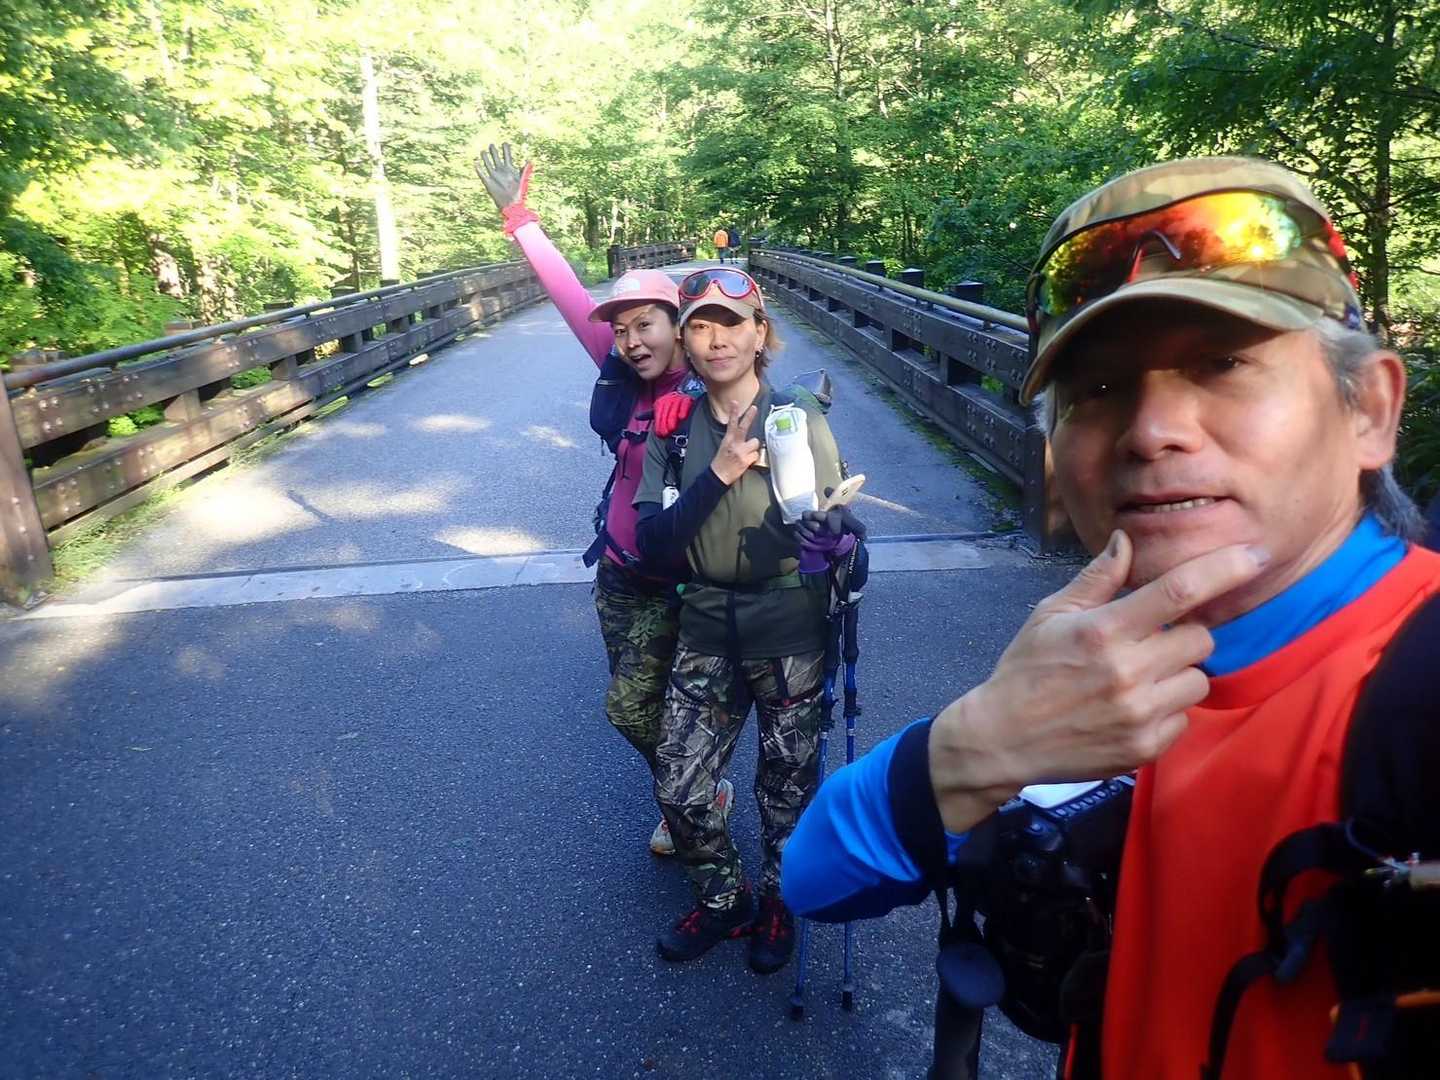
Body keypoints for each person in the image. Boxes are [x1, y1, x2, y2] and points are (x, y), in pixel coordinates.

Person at [782, 157, 1440, 1077]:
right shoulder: (1094, 667)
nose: (1151, 430)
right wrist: (982, 743)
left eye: (1222, 364)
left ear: (1369, 409)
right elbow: (814, 877)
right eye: (1097, 390)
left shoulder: (1416, 688)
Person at [475, 143, 734, 855]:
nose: (631, 340)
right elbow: (568, 295)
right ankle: (688, 793)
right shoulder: (621, 369)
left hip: (685, 580)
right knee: (637, 700)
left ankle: (695, 791)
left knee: (633, 706)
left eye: (646, 324)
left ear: (679, 325)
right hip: (618, 572)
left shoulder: (714, 382)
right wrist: (519, 217)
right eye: (620, 329)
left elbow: (768, 402)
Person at [634, 267, 866, 974]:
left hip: (790, 630)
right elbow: (653, 545)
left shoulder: (798, 417)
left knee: (786, 789)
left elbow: (839, 525)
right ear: (684, 341)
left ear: (760, 334)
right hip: (705, 626)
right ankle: (724, 899)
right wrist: (721, 472)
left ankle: (778, 903)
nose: (716, 340)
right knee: (679, 787)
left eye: (732, 325)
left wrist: (839, 541)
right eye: (700, 327)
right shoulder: (673, 430)